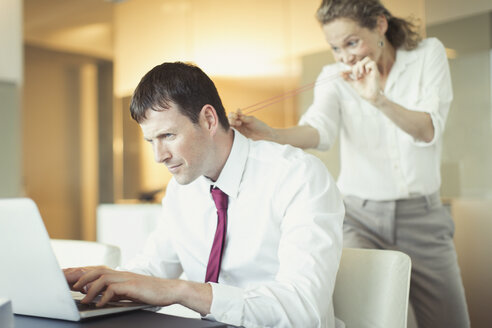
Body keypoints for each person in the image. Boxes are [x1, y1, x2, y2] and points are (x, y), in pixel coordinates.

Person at [229, 0, 470, 327]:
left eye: (352, 42)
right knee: (361, 317)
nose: (345, 56)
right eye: (335, 48)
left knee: (450, 321)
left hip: (423, 219)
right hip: (359, 218)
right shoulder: (334, 76)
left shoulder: (428, 54)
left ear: (380, 25)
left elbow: (428, 129)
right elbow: (318, 130)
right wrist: (270, 133)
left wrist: (377, 99)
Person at [64, 62, 345, 328]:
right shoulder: (181, 190)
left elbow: (303, 309)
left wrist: (181, 291)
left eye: (168, 136)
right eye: (151, 141)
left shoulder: (298, 176)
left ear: (209, 119)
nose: (158, 157)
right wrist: (102, 283)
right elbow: (154, 268)